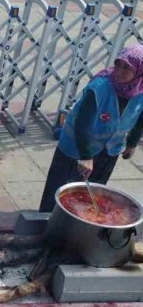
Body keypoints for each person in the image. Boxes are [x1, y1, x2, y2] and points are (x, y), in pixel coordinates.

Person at [38, 44, 143, 212]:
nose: (119, 71)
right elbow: (82, 123)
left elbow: (140, 118)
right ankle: (46, 226)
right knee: (59, 192)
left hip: (109, 149)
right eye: (118, 64)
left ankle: (81, 229)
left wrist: (132, 143)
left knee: (91, 196)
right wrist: (86, 156)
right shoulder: (100, 87)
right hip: (76, 147)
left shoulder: (141, 91)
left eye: (127, 68)